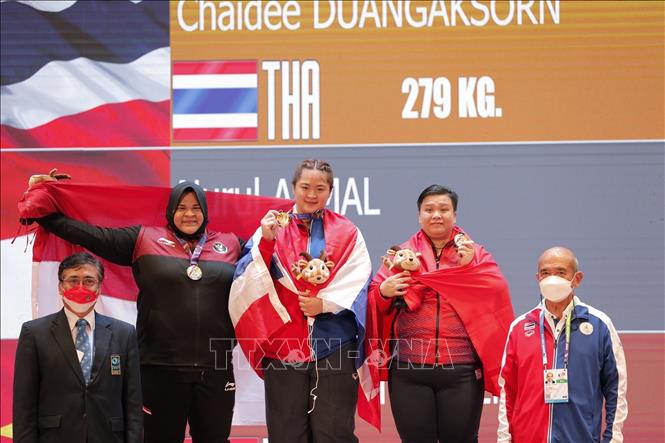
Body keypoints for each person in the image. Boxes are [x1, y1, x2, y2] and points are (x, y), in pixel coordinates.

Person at [20, 175, 242, 443]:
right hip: (158, 368)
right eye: (182, 207)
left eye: (196, 208)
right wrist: (43, 210)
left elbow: (272, 254)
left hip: (216, 369)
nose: (189, 214)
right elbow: (91, 235)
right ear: (171, 210)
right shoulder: (144, 239)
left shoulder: (231, 244)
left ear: (206, 212)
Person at [229, 159, 373, 443]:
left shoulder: (348, 232)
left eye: (320, 188)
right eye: (305, 187)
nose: (311, 194)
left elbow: (359, 280)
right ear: (293, 188)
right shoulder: (271, 227)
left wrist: (325, 304)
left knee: (334, 433)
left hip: (334, 347)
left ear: (330, 192)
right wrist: (268, 241)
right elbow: (247, 278)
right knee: (286, 434)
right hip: (284, 347)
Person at [367, 184, 514, 443]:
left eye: (444, 209)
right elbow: (374, 302)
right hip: (409, 371)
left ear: (454, 215)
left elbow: (496, 292)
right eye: (429, 209)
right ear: (419, 215)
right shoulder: (400, 255)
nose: (436, 215)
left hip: (462, 371)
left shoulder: (475, 254)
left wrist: (468, 270)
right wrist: (383, 292)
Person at [497, 247, 628, 443]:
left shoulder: (599, 325)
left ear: (577, 279)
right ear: (537, 279)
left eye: (560, 272)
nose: (552, 279)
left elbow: (616, 389)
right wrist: (504, 439)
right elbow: (508, 391)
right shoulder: (520, 327)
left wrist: (613, 439)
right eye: (545, 273)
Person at [13, 252, 142, 443]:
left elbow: (133, 403)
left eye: (89, 281)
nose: (80, 287)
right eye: (73, 280)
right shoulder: (34, 333)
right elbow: (24, 404)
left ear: (99, 288)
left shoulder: (124, 333)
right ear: (60, 287)